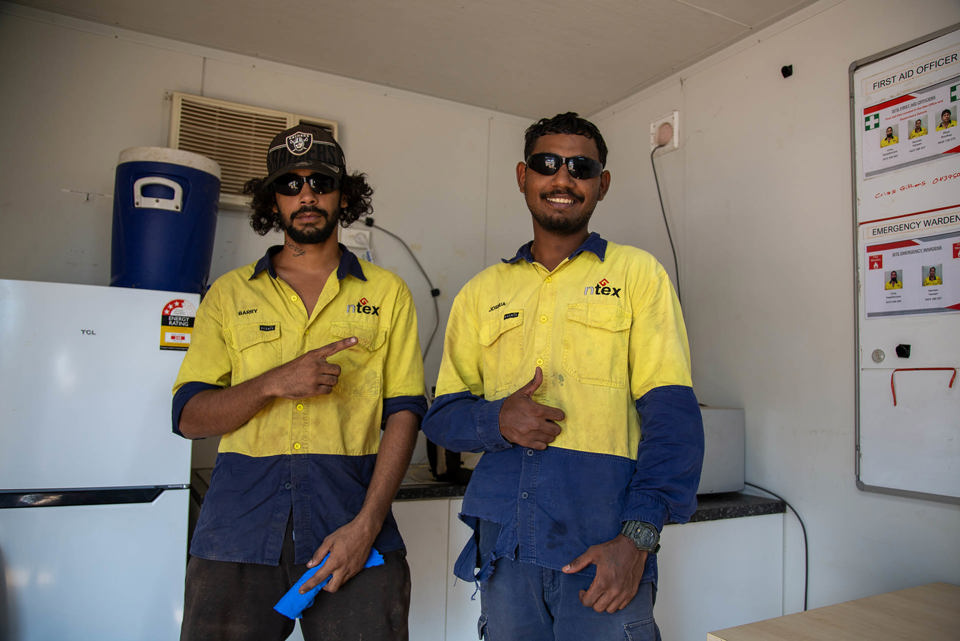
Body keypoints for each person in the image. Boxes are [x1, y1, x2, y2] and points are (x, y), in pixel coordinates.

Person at [422, 112, 704, 641]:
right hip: (506, 546)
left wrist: (638, 539)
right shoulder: (481, 292)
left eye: (581, 167)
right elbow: (442, 418)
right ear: (523, 175)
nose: (563, 178)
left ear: (603, 184)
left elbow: (672, 415)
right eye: (547, 164)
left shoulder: (637, 275)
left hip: (604, 543)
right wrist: (498, 420)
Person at [172, 123, 426, 641]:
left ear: (344, 195)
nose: (306, 195)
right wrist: (273, 382)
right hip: (238, 528)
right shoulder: (228, 294)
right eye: (290, 185)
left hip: (349, 521)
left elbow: (404, 412)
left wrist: (366, 526)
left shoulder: (388, 293)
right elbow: (189, 418)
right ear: (273, 201)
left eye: (321, 182)